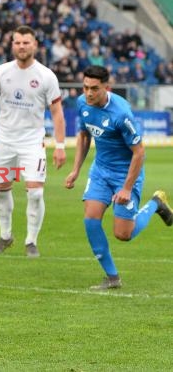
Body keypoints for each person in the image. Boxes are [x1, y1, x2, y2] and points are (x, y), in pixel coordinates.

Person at [65, 65, 173, 290]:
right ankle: (112, 277)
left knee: (123, 234)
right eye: (85, 87)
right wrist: (76, 170)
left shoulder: (121, 113)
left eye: (94, 88)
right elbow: (84, 136)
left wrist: (125, 188)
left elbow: (139, 152)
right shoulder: (83, 103)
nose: (89, 93)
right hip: (100, 171)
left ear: (107, 87)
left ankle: (155, 203)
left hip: (125, 173)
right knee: (91, 218)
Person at [0, 25, 67, 258]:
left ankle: (31, 241)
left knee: (35, 193)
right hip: (4, 140)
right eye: (17, 42)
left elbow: (57, 112)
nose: (21, 46)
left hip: (32, 141)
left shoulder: (46, 76)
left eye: (26, 42)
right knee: (1, 190)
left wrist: (60, 146)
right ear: (12, 45)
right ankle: (5, 236)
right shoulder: (2, 72)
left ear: (34, 45)